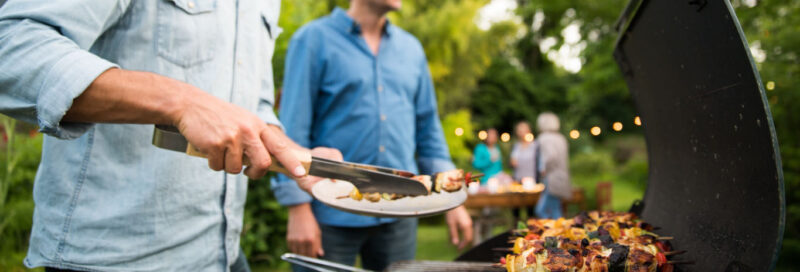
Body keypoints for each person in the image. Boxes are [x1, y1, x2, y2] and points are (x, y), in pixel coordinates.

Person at [0, 1, 334, 271]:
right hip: (113, 260)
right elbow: (12, 49)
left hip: (222, 252)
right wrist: (180, 102)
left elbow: (252, 105)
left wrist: (293, 155)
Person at [272, 1, 473, 271]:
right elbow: (292, 129)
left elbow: (429, 131)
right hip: (330, 212)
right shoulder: (312, 40)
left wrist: (453, 198)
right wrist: (297, 208)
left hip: (403, 211)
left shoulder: (411, 49)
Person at [534, 112, 572, 219]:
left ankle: (551, 232)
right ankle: (557, 231)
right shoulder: (561, 138)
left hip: (551, 178)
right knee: (555, 208)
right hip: (562, 177)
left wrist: (544, 169)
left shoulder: (544, 138)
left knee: (541, 210)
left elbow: (551, 156)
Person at [510, 121, 537, 219]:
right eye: (519, 130)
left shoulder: (534, 145)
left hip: (531, 179)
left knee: (530, 208)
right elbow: (512, 161)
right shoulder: (516, 146)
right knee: (516, 208)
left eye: (523, 129)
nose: (521, 132)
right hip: (518, 179)